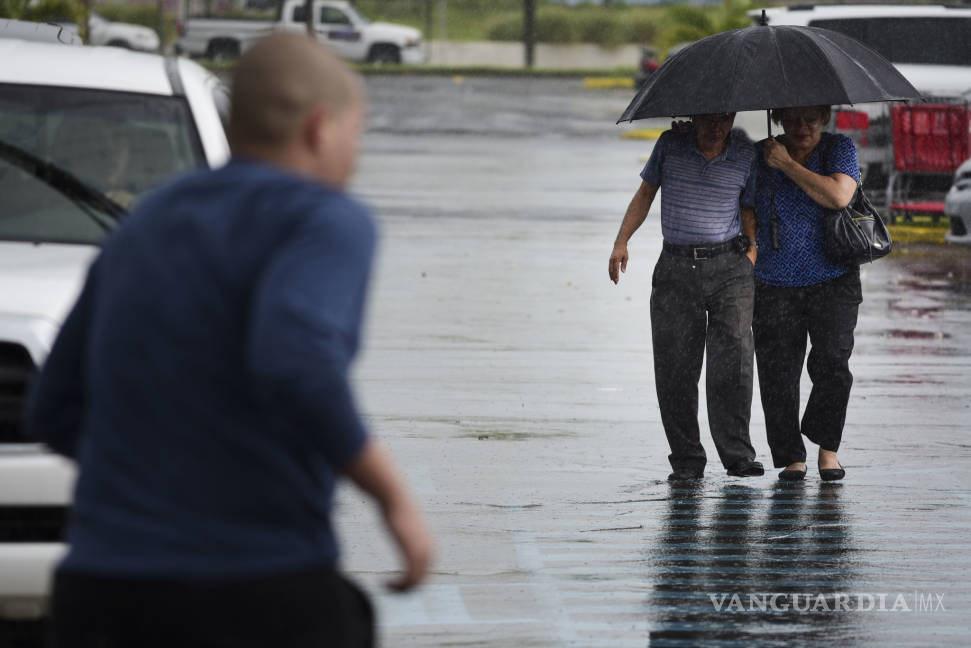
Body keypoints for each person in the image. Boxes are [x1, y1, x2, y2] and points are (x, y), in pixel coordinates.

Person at [25, 32, 433, 647]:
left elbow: (53, 407)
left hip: (100, 591)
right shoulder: (323, 217)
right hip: (256, 589)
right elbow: (295, 358)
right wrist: (394, 499)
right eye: (359, 132)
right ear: (321, 129)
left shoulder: (148, 221)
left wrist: (158, 479)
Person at [608, 113, 764, 482]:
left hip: (730, 265)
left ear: (733, 117)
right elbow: (646, 193)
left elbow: (748, 208)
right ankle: (687, 459)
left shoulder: (745, 154)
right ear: (694, 116)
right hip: (676, 266)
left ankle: (738, 455)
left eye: (724, 117)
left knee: (734, 361)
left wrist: (752, 251)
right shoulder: (670, 145)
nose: (716, 125)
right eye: (708, 117)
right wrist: (621, 241)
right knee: (675, 368)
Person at [752, 105, 860, 482]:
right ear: (779, 119)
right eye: (793, 119)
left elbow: (839, 197)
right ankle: (790, 456)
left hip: (834, 276)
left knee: (833, 362)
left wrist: (787, 165)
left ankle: (827, 451)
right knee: (777, 373)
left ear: (825, 118)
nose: (802, 128)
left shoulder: (839, 149)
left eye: (811, 119)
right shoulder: (759, 154)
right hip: (772, 279)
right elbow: (743, 202)